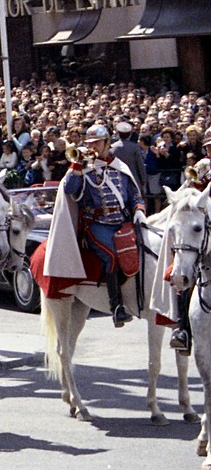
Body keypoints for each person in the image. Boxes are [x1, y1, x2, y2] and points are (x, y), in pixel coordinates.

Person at [44, 124, 145, 327]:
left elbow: (133, 194)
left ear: (108, 143)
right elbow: (70, 190)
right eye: (90, 143)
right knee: (112, 256)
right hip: (97, 224)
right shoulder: (84, 168)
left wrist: (139, 209)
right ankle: (117, 307)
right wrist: (77, 165)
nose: (93, 147)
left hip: (122, 221)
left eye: (97, 143)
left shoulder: (119, 166)